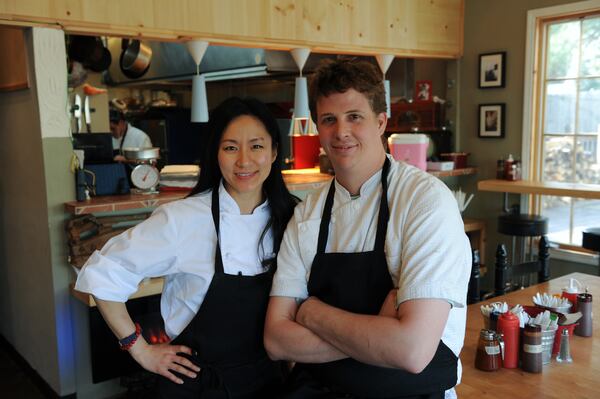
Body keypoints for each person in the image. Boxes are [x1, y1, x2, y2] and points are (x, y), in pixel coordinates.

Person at [264, 58, 471, 399]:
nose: (341, 132)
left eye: (354, 117)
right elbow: (276, 340)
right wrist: (380, 329)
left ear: (380, 122)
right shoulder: (307, 214)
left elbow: (412, 351)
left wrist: (311, 313)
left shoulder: (425, 202)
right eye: (328, 120)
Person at [75, 97, 298, 398]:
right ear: (216, 154)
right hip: (196, 383)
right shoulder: (183, 219)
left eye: (256, 146)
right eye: (231, 147)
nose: (244, 161)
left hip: (267, 380)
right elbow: (103, 273)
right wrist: (139, 350)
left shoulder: (293, 218)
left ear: (274, 152)